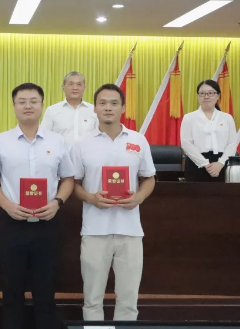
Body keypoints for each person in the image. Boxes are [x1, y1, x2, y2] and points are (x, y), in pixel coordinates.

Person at [0, 82, 75, 329]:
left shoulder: (57, 141)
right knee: (11, 290)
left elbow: (68, 178)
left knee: (46, 291)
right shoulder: (0, 141)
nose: (28, 106)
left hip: (47, 224)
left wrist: (57, 202)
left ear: (42, 105)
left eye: (33, 101)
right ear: (14, 106)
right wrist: (7, 206)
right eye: (22, 101)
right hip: (12, 225)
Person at [70, 84, 156, 321]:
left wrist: (138, 197)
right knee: (92, 300)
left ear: (123, 108)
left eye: (114, 103)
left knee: (128, 302)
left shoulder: (138, 140)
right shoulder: (81, 144)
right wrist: (91, 198)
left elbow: (149, 178)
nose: (108, 108)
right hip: (94, 231)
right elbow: (73, 183)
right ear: (95, 108)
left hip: (130, 231)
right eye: (103, 103)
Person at [180, 80, 238, 182]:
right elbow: (186, 144)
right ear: (198, 96)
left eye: (211, 93)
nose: (206, 97)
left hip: (222, 164)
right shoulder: (189, 118)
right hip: (196, 165)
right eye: (202, 93)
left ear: (218, 95)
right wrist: (205, 164)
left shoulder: (227, 118)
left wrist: (221, 163)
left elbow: (232, 143)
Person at [41, 72, 98, 150]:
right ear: (63, 88)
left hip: (88, 155)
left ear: (84, 88)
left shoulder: (94, 110)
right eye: (71, 84)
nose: (75, 88)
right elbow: (44, 136)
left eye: (79, 84)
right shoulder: (52, 110)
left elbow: (99, 137)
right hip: (60, 156)